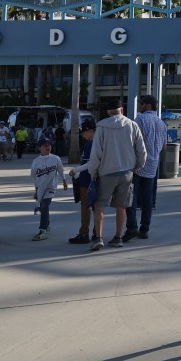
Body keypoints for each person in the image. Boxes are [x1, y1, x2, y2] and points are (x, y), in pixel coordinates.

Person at [69, 100, 146, 251]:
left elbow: (96, 155)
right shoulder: (132, 125)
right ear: (122, 110)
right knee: (121, 206)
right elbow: (142, 151)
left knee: (99, 206)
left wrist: (93, 173)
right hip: (126, 172)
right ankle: (118, 237)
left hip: (106, 172)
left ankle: (98, 237)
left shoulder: (102, 127)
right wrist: (137, 167)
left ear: (108, 113)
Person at [128, 94, 169, 241]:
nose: (140, 106)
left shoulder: (140, 119)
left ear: (149, 105)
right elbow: (164, 146)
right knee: (148, 200)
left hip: (138, 165)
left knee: (132, 197)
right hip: (153, 166)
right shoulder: (161, 123)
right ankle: (145, 229)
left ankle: (132, 227)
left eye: (142, 103)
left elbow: (132, 141)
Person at [29, 139, 67, 241]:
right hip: (41, 188)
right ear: (39, 148)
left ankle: (43, 230)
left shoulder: (56, 158)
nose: (48, 147)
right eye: (45, 145)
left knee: (45, 206)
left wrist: (64, 181)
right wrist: (36, 191)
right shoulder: (36, 162)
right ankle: (47, 225)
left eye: (49, 145)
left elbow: (61, 170)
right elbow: (35, 177)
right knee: (42, 207)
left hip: (51, 187)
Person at [68, 122, 97, 245]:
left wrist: (76, 170)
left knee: (86, 208)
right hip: (96, 179)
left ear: (90, 131)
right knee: (97, 208)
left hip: (87, 181)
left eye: (84, 132)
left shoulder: (90, 144)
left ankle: (84, 233)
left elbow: (90, 163)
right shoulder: (99, 143)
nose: (83, 135)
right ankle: (97, 233)